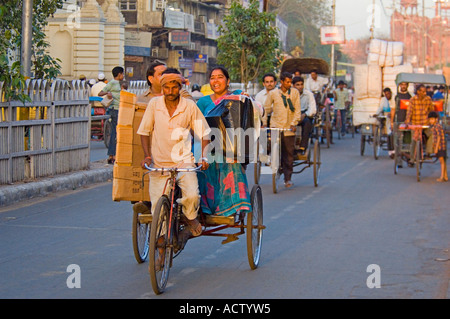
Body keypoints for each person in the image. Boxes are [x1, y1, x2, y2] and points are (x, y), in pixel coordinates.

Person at [137, 70, 211, 237]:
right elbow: (144, 132)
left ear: (180, 88)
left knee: (192, 195)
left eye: (174, 87)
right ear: (162, 88)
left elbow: (204, 133)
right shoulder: (154, 105)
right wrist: (147, 156)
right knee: (158, 207)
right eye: (167, 88)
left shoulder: (189, 106)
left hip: (183, 162)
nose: (170, 92)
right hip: (159, 163)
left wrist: (203, 157)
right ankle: (161, 245)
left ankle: (190, 217)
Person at [196, 66, 253, 217]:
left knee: (231, 165)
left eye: (220, 77)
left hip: (232, 147)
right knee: (201, 167)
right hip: (208, 145)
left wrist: (247, 98)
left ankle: (233, 206)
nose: (216, 81)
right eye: (212, 77)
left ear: (228, 81)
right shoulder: (202, 102)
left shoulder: (237, 96)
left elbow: (253, 111)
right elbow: (196, 126)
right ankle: (206, 208)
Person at [262, 71, 301, 188]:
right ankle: (274, 166)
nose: (290, 84)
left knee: (288, 154)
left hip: (289, 128)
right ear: (282, 82)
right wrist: (264, 123)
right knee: (273, 149)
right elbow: (266, 109)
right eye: (287, 82)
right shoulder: (273, 94)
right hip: (276, 127)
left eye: (291, 82)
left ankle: (288, 178)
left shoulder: (295, 93)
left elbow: (297, 110)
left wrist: (294, 123)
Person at [98, 66, 124, 164]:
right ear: (119, 74)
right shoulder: (113, 83)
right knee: (115, 133)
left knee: (116, 132)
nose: (123, 76)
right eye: (122, 74)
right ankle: (112, 155)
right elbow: (100, 93)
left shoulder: (118, 84)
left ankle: (113, 155)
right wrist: (108, 93)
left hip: (119, 109)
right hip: (115, 110)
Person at [405, 84, 435, 164]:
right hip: (415, 125)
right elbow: (409, 112)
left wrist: (433, 122)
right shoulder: (412, 100)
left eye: (425, 91)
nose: (425, 93)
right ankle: (412, 158)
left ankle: (428, 153)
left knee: (432, 133)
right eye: (423, 92)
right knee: (414, 140)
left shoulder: (428, 99)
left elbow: (431, 111)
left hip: (425, 124)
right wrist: (407, 121)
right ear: (418, 92)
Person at [292, 76, 316, 155]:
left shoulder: (308, 94)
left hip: (304, 114)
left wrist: (305, 114)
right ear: (293, 86)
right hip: (292, 115)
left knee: (307, 123)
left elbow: (313, 109)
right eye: (297, 85)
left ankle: (302, 146)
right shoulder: (290, 94)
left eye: (301, 84)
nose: (300, 87)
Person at [428, 111, 448, 182]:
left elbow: (439, 137)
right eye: (430, 119)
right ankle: (445, 176)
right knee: (443, 161)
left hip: (440, 146)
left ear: (436, 119)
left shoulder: (437, 126)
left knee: (441, 161)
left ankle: (442, 176)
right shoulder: (435, 126)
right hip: (441, 146)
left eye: (432, 119)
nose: (431, 121)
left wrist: (436, 148)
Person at [375, 87, 395, 157]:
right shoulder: (383, 100)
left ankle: (394, 150)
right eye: (385, 94)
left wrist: (392, 114)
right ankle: (391, 152)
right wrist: (376, 114)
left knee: (393, 134)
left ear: (391, 93)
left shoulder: (394, 98)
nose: (387, 96)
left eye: (388, 94)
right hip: (387, 118)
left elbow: (395, 109)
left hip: (394, 117)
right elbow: (380, 108)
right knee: (389, 134)